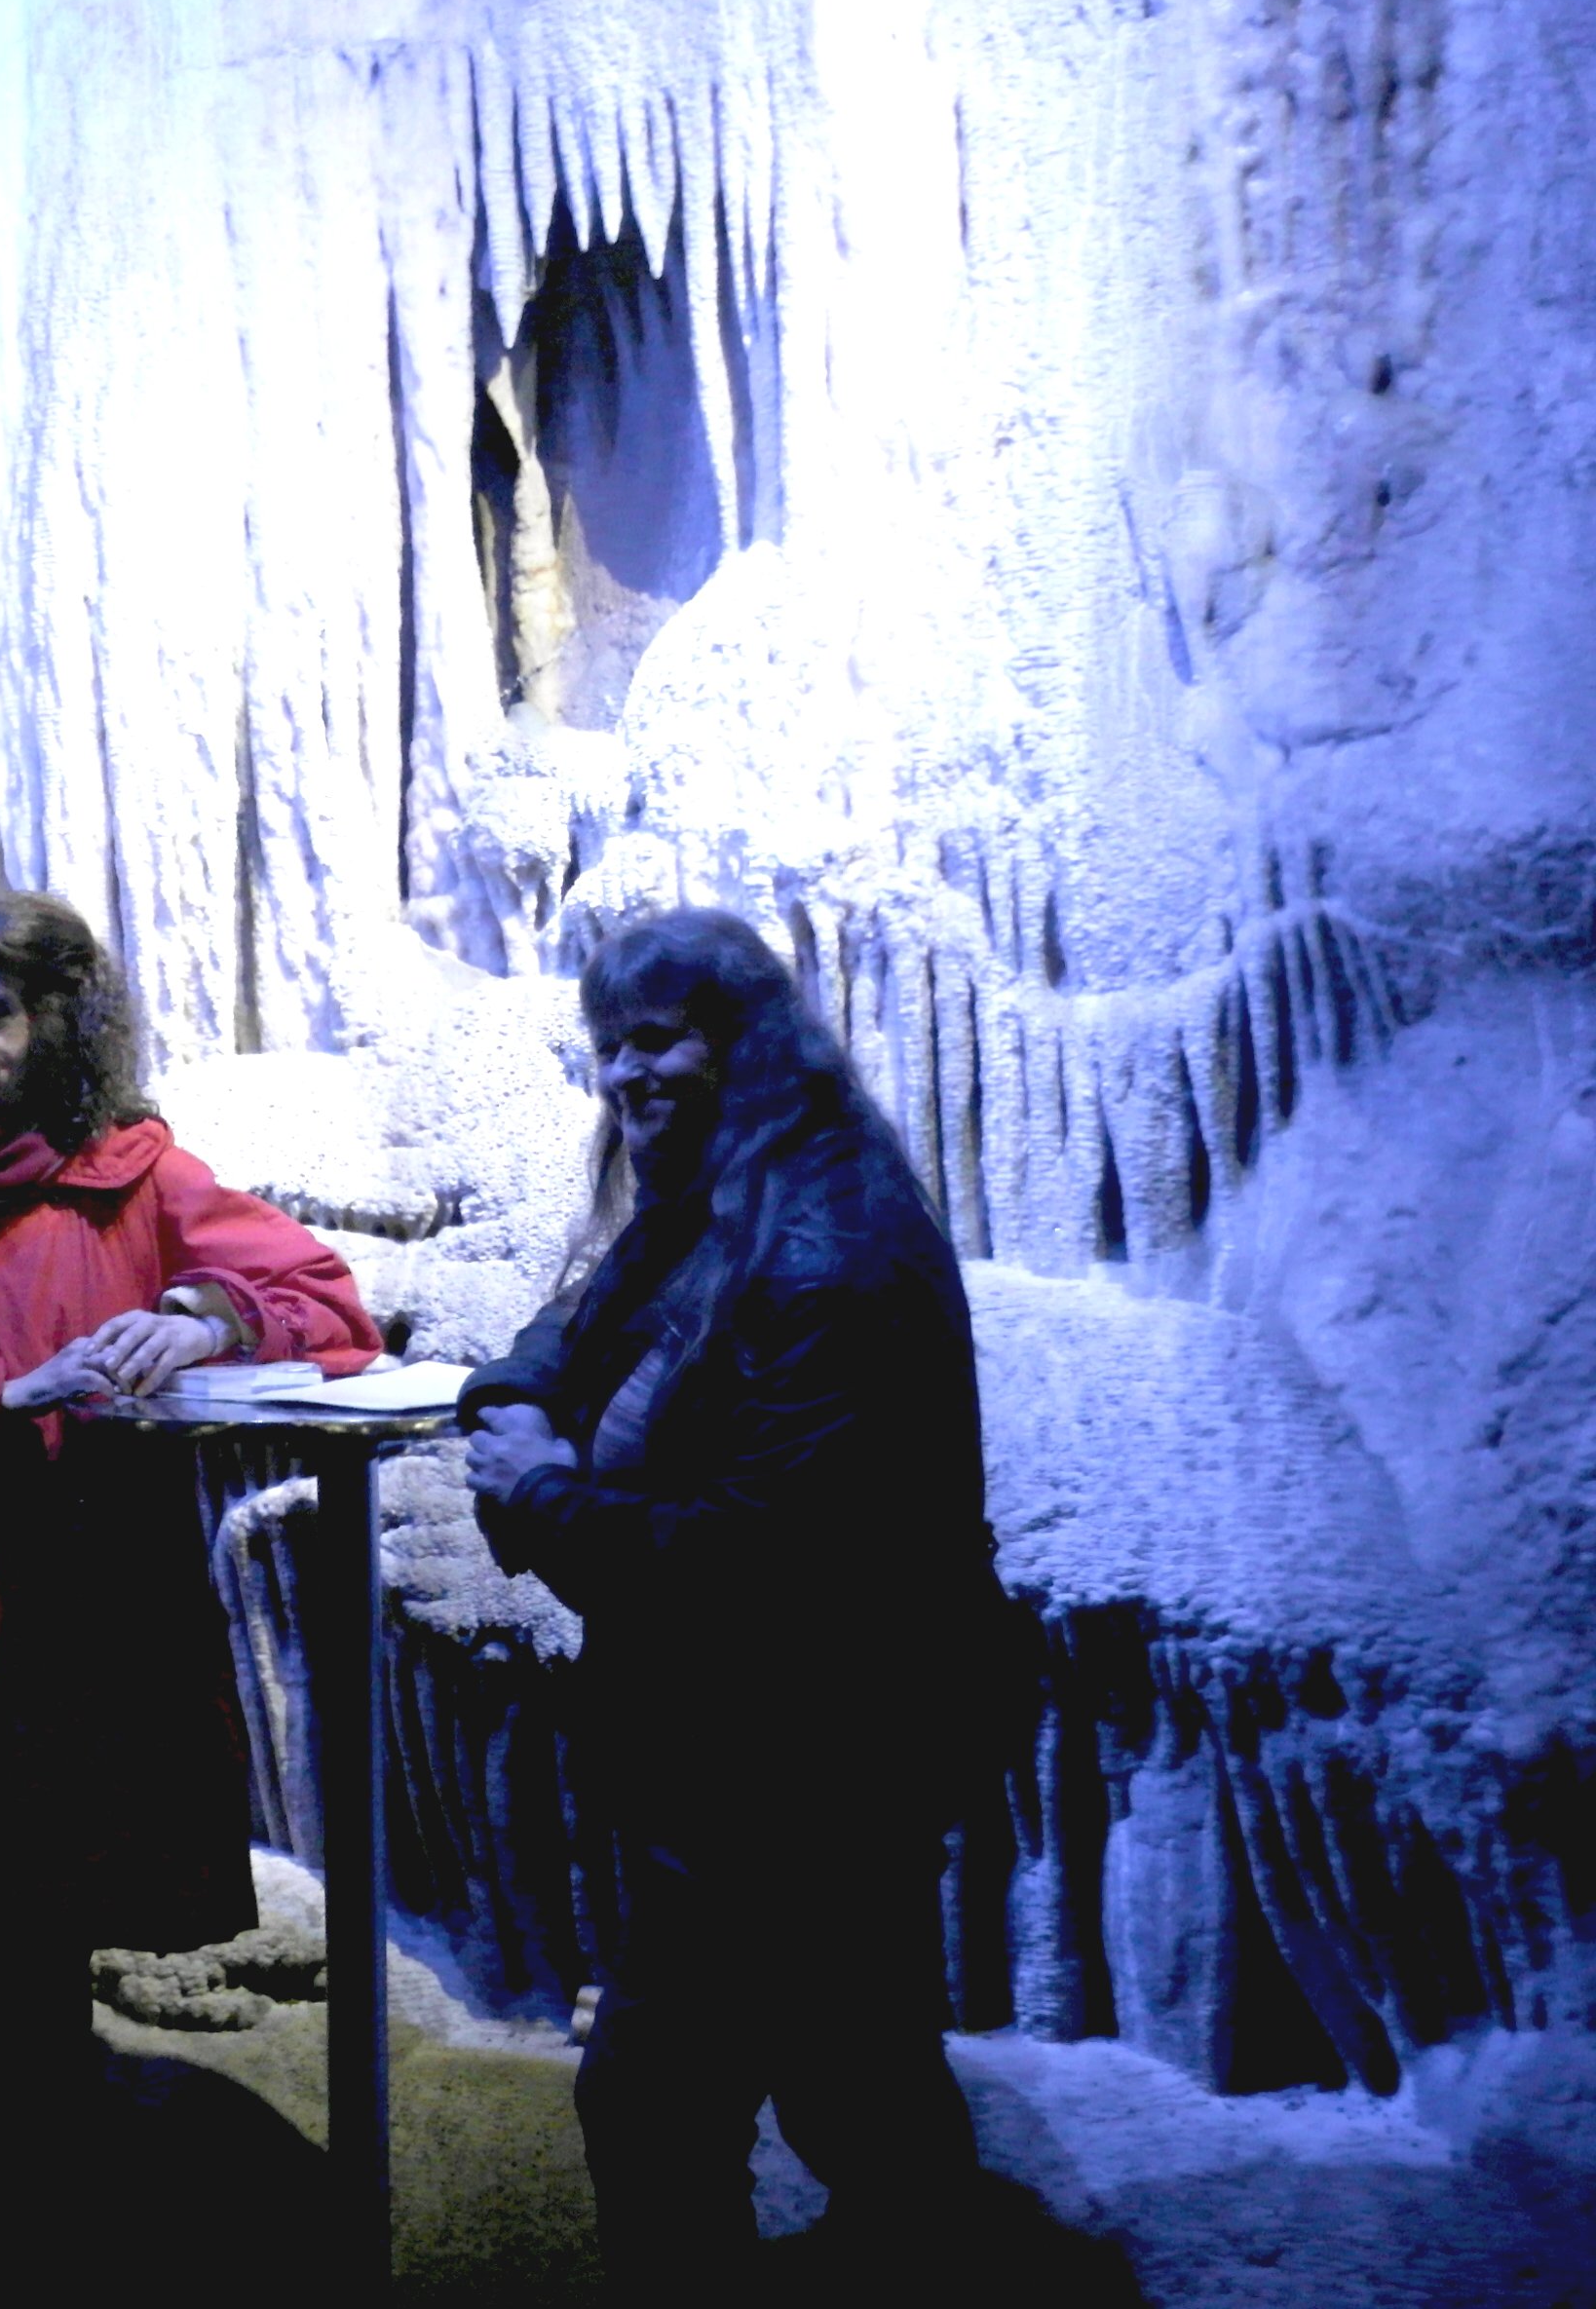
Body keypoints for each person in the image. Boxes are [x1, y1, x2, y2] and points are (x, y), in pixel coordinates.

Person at [0, 890, 381, 2164]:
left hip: (81, 1636)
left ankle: (45, 2206)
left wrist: (211, 1313)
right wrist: (4, 1392)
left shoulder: (137, 1185)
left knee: (48, 1950)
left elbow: (324, 1300)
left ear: (55, 1023)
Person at [459, 904, 1005, 2292]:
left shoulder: (826, 1247)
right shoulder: (715, 1200)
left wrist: (537, 1494)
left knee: (669, 2099)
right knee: (853, 2079)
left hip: (812, 1756)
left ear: (744, 1043)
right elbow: (560, 1339)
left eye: (663, 1040)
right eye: (611, 1047)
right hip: (745, 1755)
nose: (630, 1074)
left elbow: (758, 1567)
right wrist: (520, 1409)